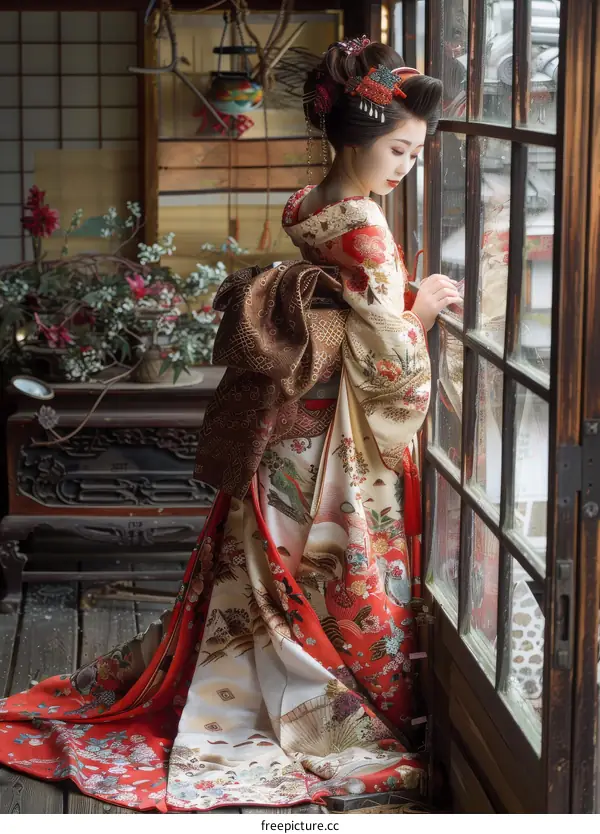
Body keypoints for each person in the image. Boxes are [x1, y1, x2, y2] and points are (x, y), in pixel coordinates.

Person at [0, 37, 460, 813]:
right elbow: (388, 355)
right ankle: (335, 707)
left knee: (269, 561)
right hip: (331, 438)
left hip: (290, 422)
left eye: (415, 152)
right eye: (402, 149)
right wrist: (419, 312)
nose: (408, 164)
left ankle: (267, 684)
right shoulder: (367, 228)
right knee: (329, 565)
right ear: (358, 136)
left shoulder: (307, 203)